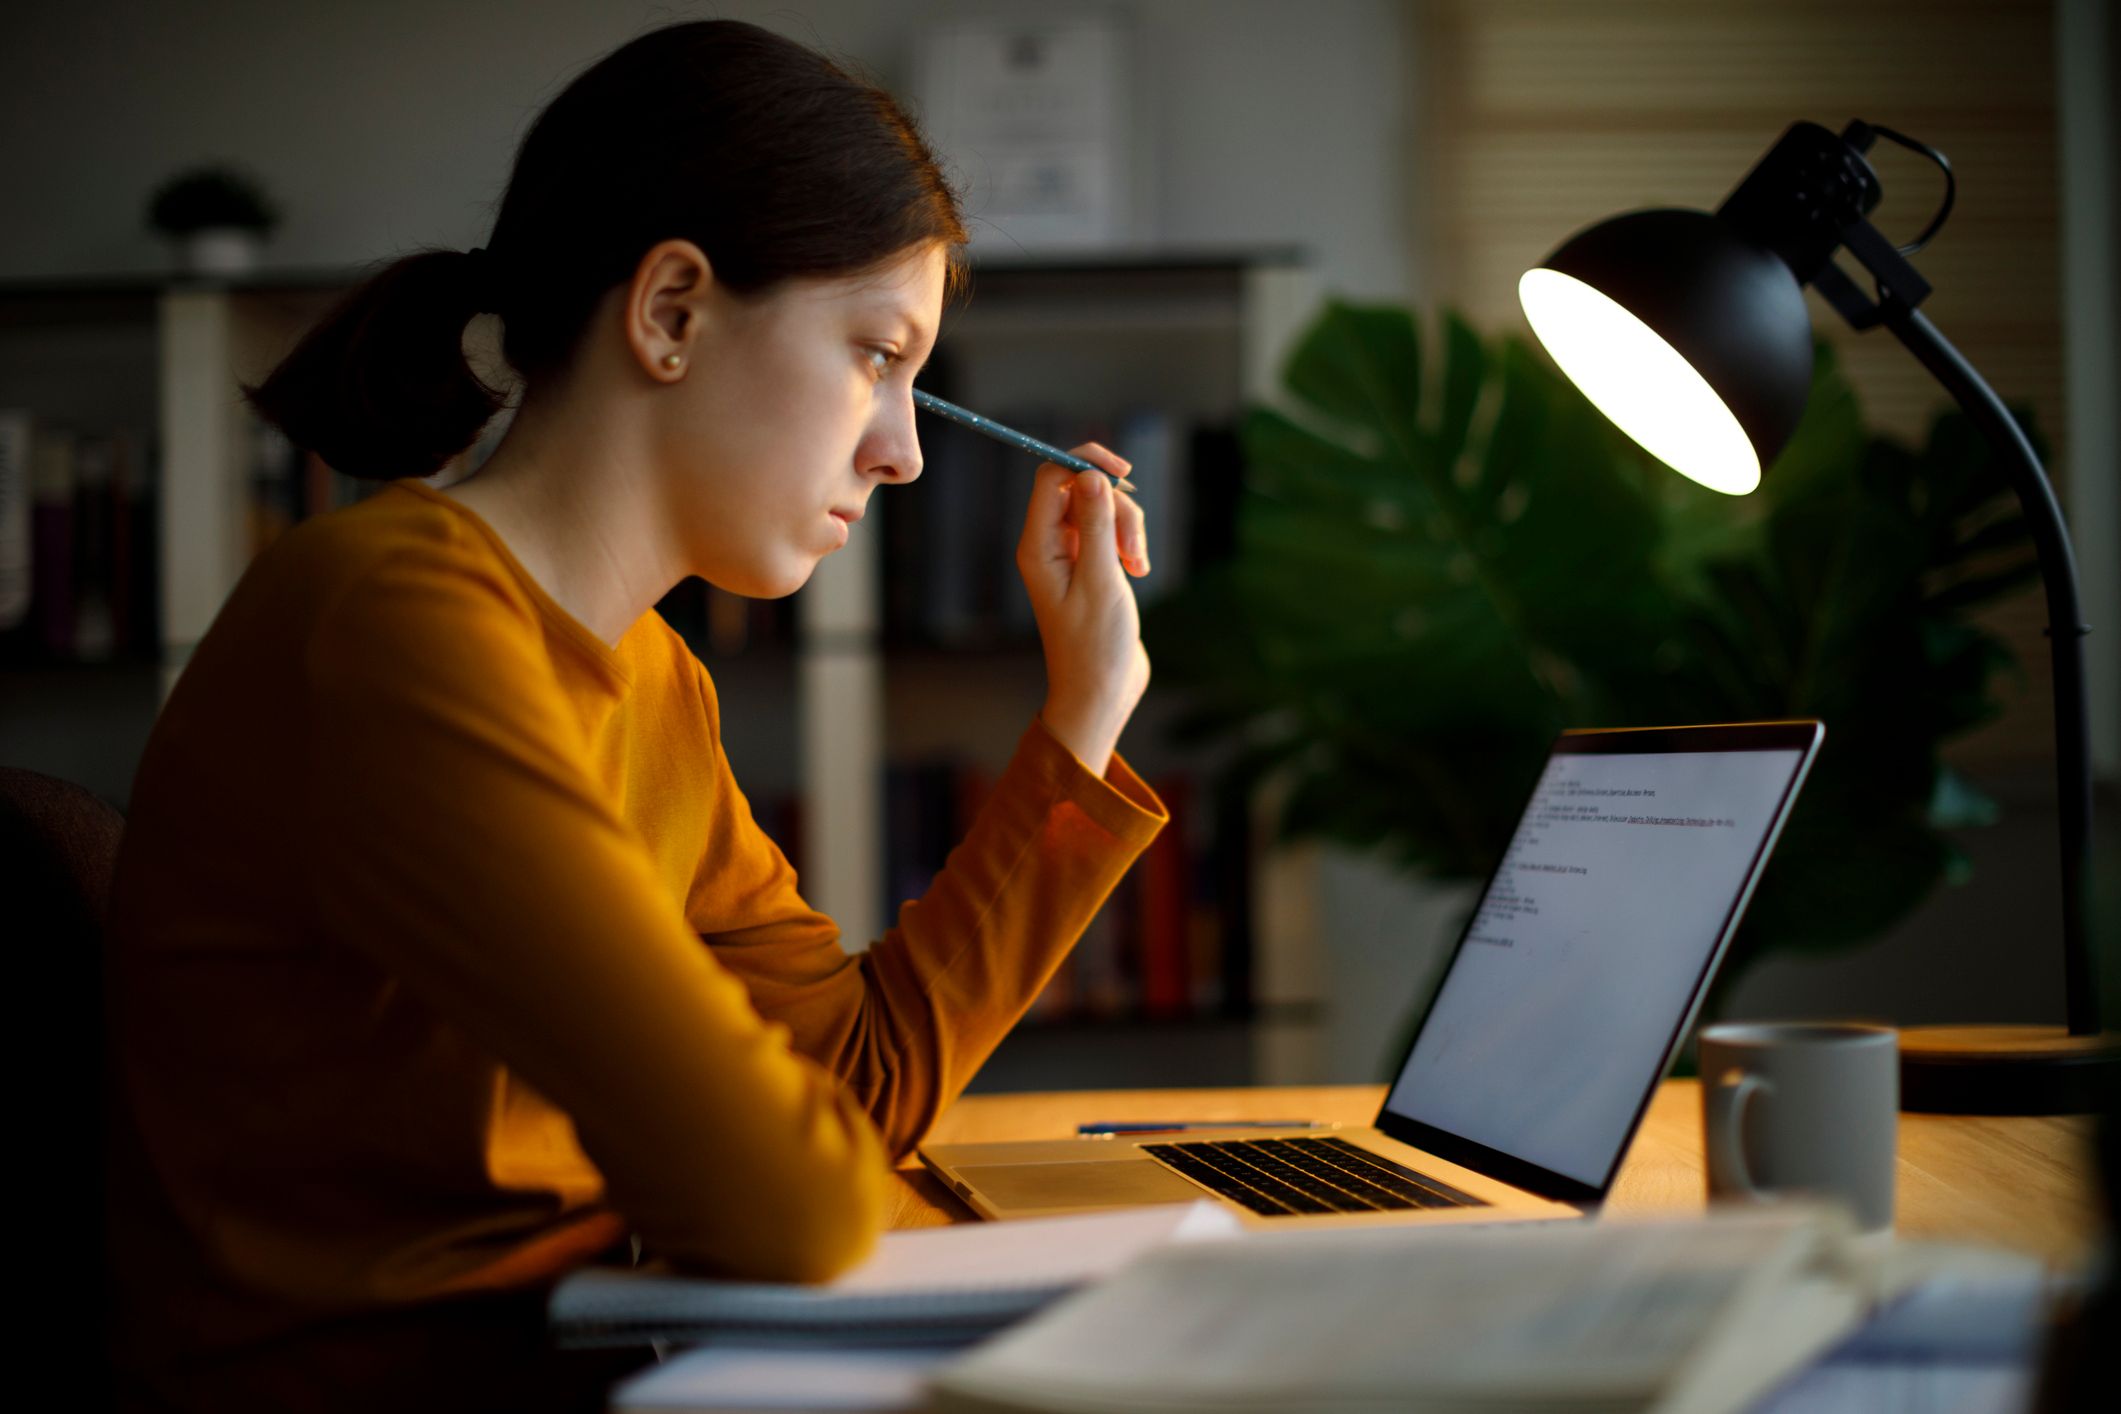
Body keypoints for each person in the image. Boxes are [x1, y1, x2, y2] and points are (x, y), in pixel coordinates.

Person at [102, 19, 1166, 1412]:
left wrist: (1080, 721)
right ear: (669, 309)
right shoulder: (390, 618)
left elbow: (847, 1090)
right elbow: (787, 1198)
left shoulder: (652, 679)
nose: (901, 450)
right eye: (873, 355)